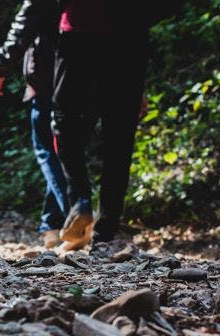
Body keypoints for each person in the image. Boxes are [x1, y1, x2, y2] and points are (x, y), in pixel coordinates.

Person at [51, 0, 181, 246]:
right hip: (129, 39)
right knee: (119, 137)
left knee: (63, 124)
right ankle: (104, 235)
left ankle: (80, 201)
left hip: (80, 30)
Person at [0, 0, 73, 249]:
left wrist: (1, 65)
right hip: (82, 75)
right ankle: (51, 226)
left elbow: (24, 24)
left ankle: (76, 213)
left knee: (47, 148)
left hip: (49, 75)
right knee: (63, 147)